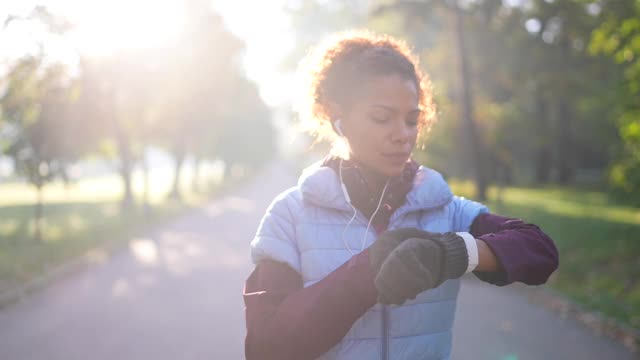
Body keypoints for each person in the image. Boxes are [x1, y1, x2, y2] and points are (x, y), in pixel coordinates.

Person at [243, 31, 559, 360]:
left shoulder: (446, 209)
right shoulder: (290, 215)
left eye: (412, 120)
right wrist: (368, 271)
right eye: (382, 118)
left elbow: (540, 252)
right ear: (337, 116)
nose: (403, 135)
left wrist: (450, 252)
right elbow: (265, 349)